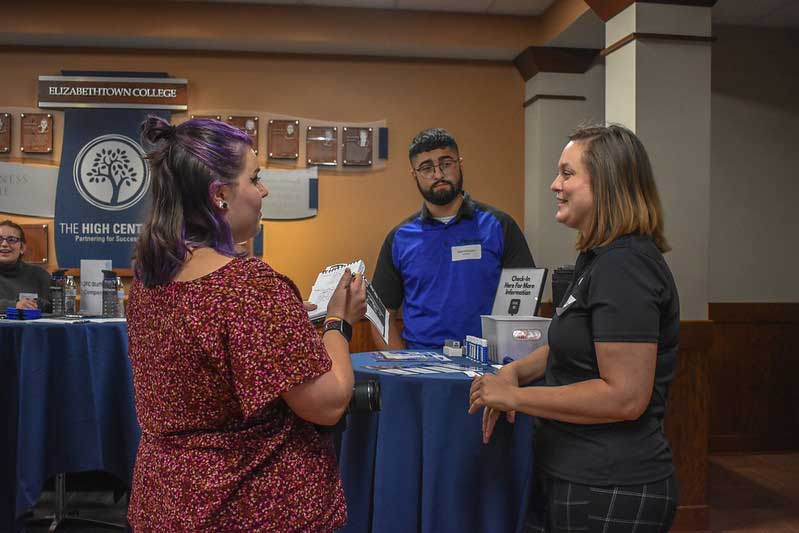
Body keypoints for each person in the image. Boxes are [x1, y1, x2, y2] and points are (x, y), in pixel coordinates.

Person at [126, 116, 366, 532]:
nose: (264, 190)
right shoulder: (248, 288)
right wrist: (338, 324)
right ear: (220, 194)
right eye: (255, 178)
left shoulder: (149, 280)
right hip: (246, 506)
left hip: (166, 501)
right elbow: (327, 404)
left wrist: (288, 324)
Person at [469, 124, 680, 532]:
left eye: (567, 174)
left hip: (612, 486)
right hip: (574, 473)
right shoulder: (597, 259)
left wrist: (516, 398)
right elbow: (572, 344)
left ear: (607, 185)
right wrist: (517, 371)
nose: (554, 185)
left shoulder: (625, 267)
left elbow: (625, 398)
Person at [371, 127, 534, 349]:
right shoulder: (399, 239)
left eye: (446, 164)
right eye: (427, 168)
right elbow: (381, 315)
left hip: (490, 368)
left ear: (460, 164)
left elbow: (524, 304)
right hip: (423, 371)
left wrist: (509, 368)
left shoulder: (500, 226)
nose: (438, 175)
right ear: (414, 175)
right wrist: (403, 370)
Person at [0, 220, 51, 312]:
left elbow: (54, 307)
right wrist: (14, 306)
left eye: (11, 240)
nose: (4, 244)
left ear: (22, 248)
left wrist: (33, 304)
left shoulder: (40, 275)